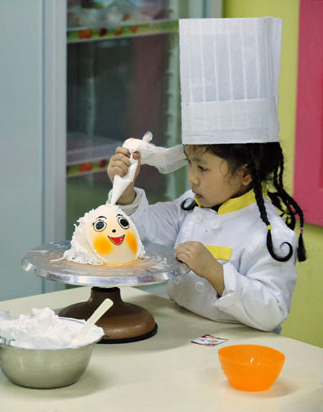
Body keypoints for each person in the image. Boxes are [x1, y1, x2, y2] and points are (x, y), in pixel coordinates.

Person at [106, 17, 306, 333]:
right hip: (183, 332)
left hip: (240, 347)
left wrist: (215, 272)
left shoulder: (270, 236)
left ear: (245, 173)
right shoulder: (191, 206)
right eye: (190, 164)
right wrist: (127, 191)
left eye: (203, 168)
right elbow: (146, 235)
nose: (192, 179)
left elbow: (273, 309)